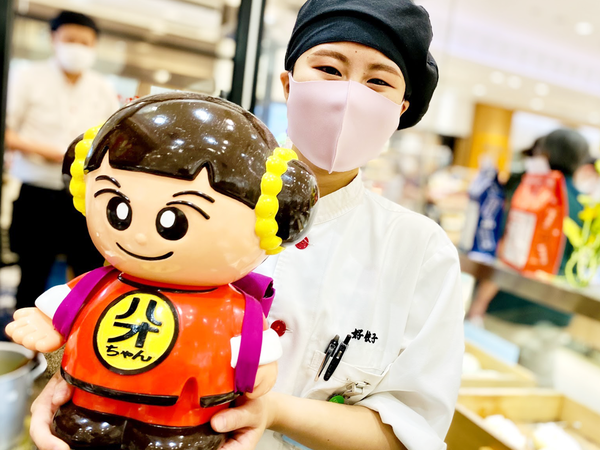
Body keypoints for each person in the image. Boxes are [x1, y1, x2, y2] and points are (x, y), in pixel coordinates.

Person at [26, 1, 464, 449]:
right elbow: (118, 308)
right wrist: (67, 388)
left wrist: (273, 411)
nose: (349, 95)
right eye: (329, 69)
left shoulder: (420, 250)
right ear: (288, 84)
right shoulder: (191, 191)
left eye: (378, 81)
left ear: (400, 109)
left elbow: (411, 431)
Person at [5, 10, 119, 310]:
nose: (77, 48)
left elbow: (112, 136)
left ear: (94, 46)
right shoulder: (27, 77)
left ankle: (77, 333)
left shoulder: (102, 88)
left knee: (86, 276)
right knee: (32, 274)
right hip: (37, 193)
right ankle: (23, 335)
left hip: (83, 199)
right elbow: (7, 132)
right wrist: (51, 152)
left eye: (85, 42)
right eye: (70, 40)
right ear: (53, 38)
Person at [468, 129, 591, 325]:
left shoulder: (532, 195)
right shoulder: (588, 208)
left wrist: (479, 304)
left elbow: (507, 251)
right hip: (560, 313)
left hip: (512, 306)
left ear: (544, 154)